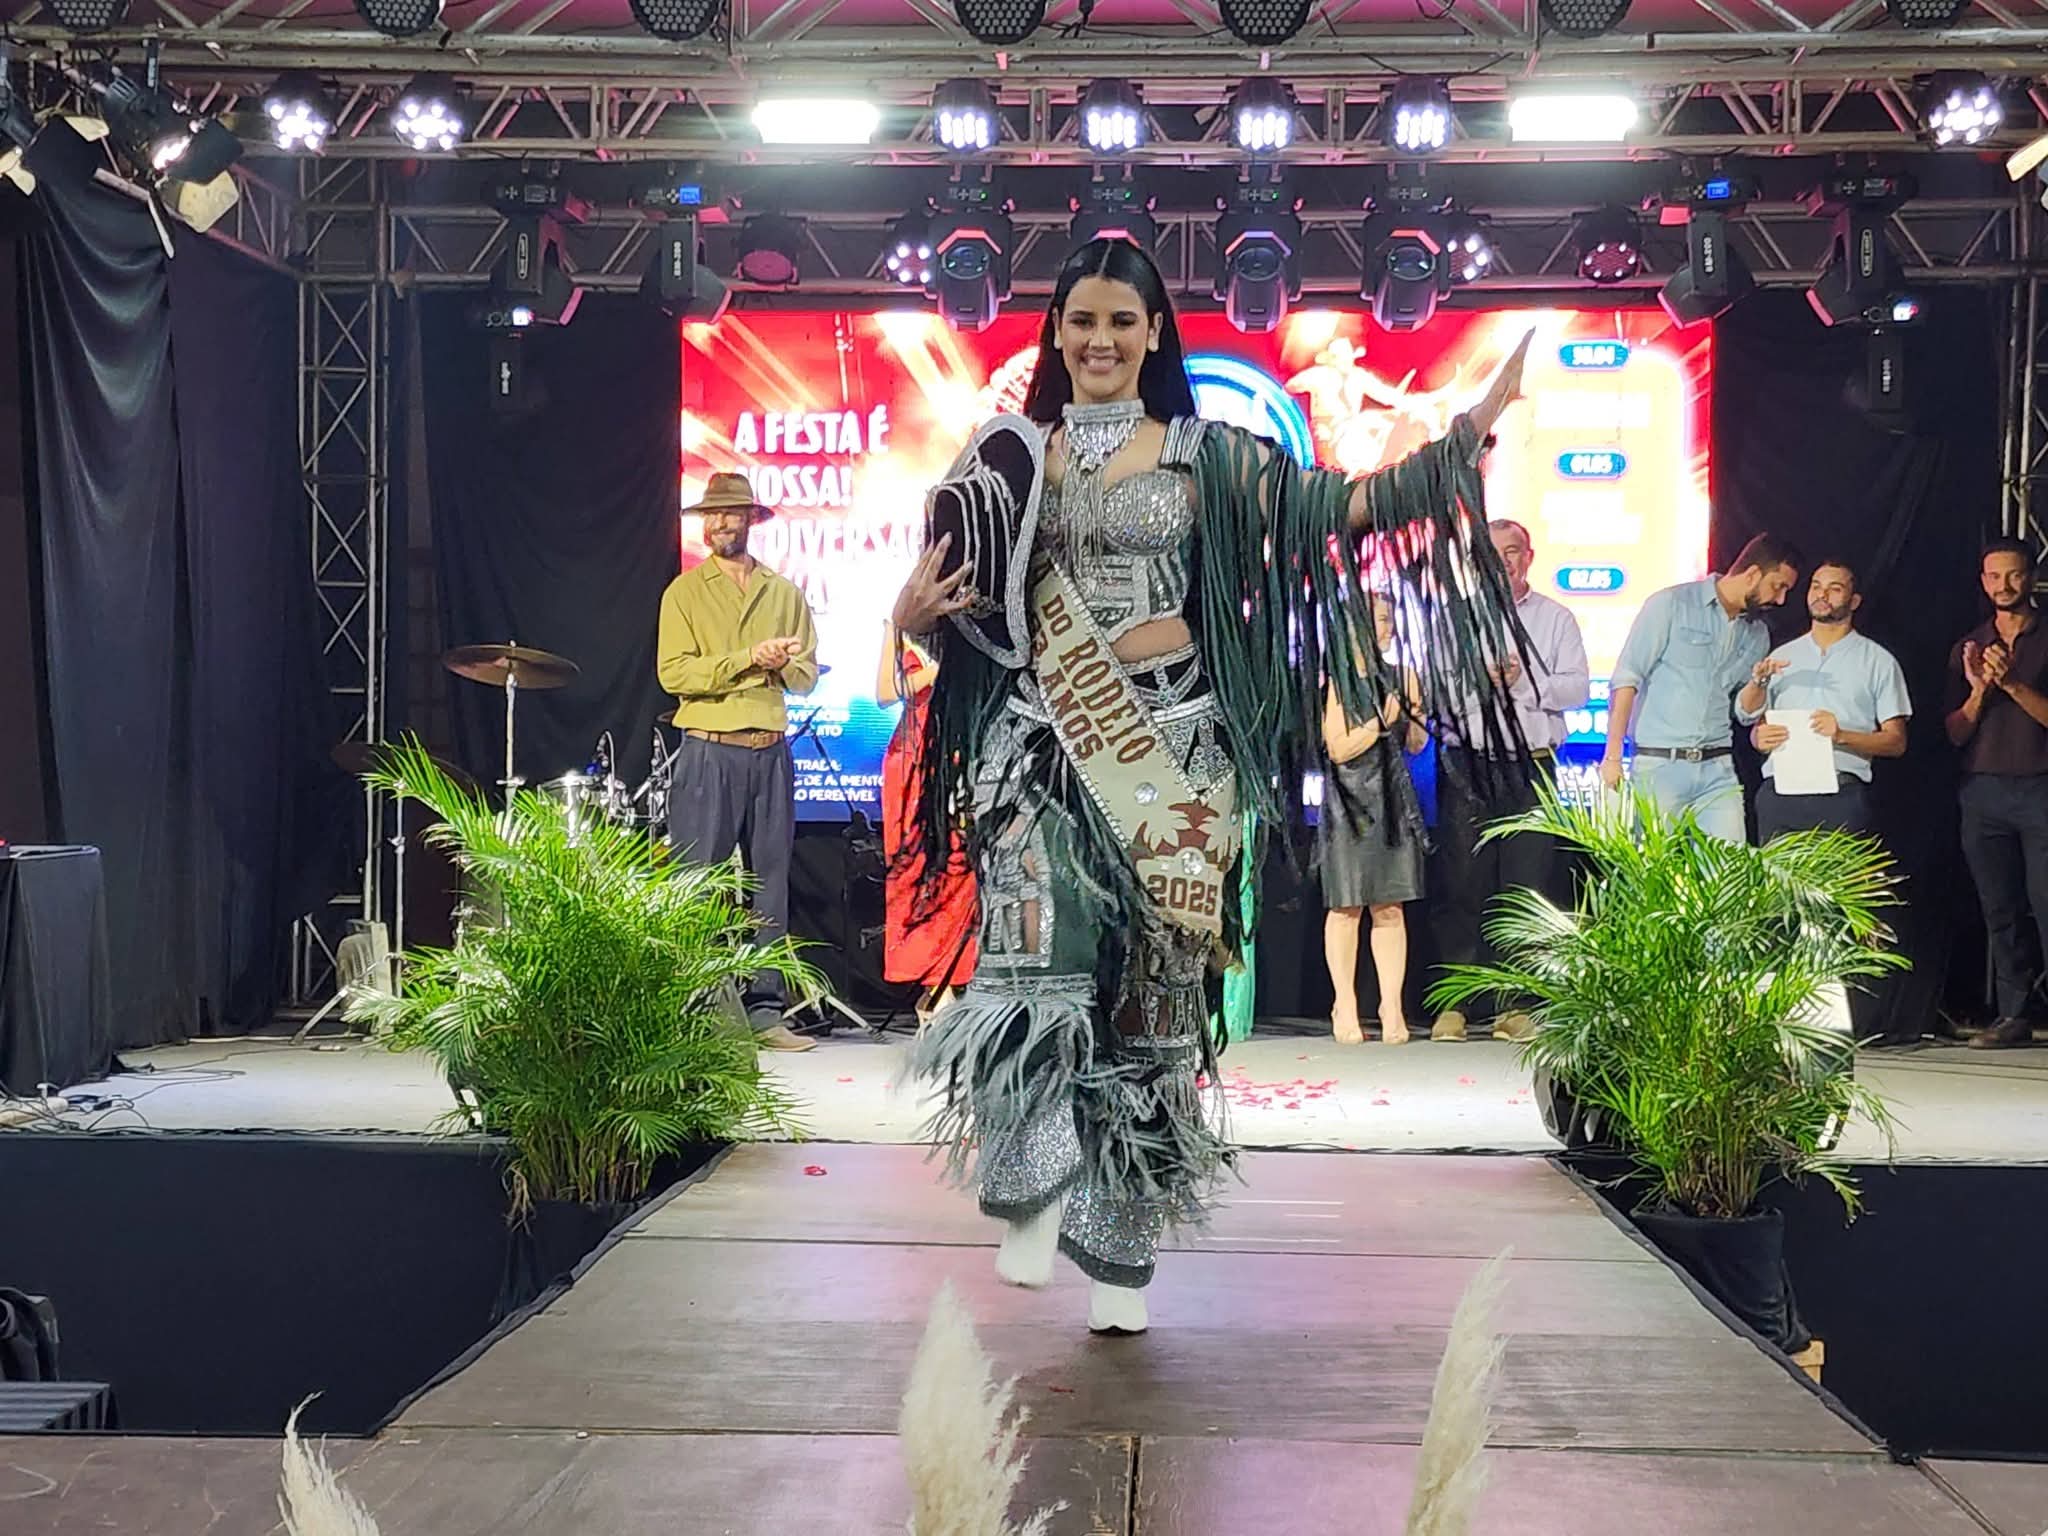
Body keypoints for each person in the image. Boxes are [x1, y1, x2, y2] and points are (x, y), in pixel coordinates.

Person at [889, 239, 1532, 1335]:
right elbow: (964, 609)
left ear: (1153, 335)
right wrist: (911, 616)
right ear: (1055, 331)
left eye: (1120, 322)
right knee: (1033, 965)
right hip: (1039, 745)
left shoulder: (1209, 455)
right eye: (1082, 320)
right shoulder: (1006, 456)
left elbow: (1341, 509)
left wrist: (1464, 435)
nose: (1099, 340)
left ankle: (1120, 1259)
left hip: (1172, 751)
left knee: (1152, 1005)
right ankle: (1030, 1191)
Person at [657, 472, 820, 1053]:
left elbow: (805, 676)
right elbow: (674, 674)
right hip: (709, 749)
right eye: (713, 514)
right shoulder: (684, 593)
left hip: (769, 750)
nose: (721, 523)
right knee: (696, 883)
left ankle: (765, 1013)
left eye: (731, 513)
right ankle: (696, 1012)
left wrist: (779, 663)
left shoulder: (784, 593)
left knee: (769, 885)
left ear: (751, 519)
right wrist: (748, 658)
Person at [1428, 518, 1589, 1043]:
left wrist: (1524, 680)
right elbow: (1435, 693)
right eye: (1492, 552)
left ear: (1530, 557)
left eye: (1514, 550)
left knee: (1526, 886)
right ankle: (1455, 1004)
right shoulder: (1454, 619)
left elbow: (1577, 690)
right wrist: (1481, 681)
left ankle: (1515, 1004)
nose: (1504, 561)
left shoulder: (1555, 618)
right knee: (1461, 884)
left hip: (1531, 766)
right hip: (1468, 765)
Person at [1600, 535, 1803, 843]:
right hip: (1660, 766)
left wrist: (1759, 682)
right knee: (1653, 868)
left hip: (1718, 769)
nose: (1780, 600)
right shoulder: (1671, 604)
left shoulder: (1757, 633)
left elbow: (1744, 713)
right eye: (1778, 586)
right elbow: (1627, 678)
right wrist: (1612, 756)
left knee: (1728, 867)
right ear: (1752, 574)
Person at [1945, 539, 2048, 1049]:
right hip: (1981, 791)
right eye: (1993, 576)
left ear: (2030, 577)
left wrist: (2012, 685)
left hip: (2039, 787)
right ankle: (2014, 1015)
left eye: (2013, 575)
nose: (2003, 586)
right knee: (2000, 909)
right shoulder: (1970, 644)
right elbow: (1954, 733)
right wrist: (1980, 689)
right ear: (1982, 581)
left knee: (2046, 902)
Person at [1736, 558, 1909, 842]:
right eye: (1816, 586)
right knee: (1777, 872)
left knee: (1837, 873)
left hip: (1840, 796)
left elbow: (1896, 742)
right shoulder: (1782, 656)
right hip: (1779, 793)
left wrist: (1841, 735)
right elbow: (1753, 722)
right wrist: (1758, 737)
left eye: (1834, 588)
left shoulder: (1878, 661)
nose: (1822, 594)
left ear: (1854, 601)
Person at [1320, 592, 1427, 1047]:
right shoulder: (1339, 682)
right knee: (1346, 906)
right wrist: (1385, 718)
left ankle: (1391, 1005)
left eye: (1390, 619)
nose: (1389, 628)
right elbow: (1339, 748)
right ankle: (1344, 1003)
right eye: (1382, 619)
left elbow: (1416, 745)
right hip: (1350, 805)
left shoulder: (1402, 676)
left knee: (1390, 906)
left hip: (1391, 802)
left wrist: (1416, 714)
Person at [877, 618, 977, 1026]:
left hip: (960, 753)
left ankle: (947, 987)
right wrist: (938, 671)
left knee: (960, 872)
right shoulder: (900, 626)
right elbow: (885, 693)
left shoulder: (972, 627)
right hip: (914, 764)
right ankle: (934, 990)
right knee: (918, 874)